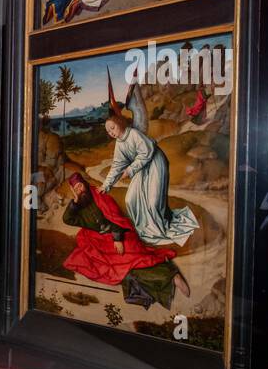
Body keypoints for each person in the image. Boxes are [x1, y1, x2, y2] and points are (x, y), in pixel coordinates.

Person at [60, 171, 189, 309]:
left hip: (119, 234)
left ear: (85, 184)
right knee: (122, 269)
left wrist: (117, 238)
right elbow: (67, 219)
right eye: (76, 188)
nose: (80, 190)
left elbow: (116, 219)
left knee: (134, 257)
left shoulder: (101, 197)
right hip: (98, 241)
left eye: (81, 186)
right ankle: (169, 278)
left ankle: (172, 275)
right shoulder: (78, 207)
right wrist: (74, 202)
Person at [99, 82, 199, 247]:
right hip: (140, 168)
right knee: (131, 200)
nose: (111, 133)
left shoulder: (133, 134)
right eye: (108, 131)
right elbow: (116, 166)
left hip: (154, 164)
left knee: (153, 203)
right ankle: (144, 230)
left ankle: (158, 230)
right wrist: (106, 185)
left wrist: (130, 169)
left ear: (119, 123)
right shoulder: (120, 144)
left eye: (112, 128)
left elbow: (147, 152)